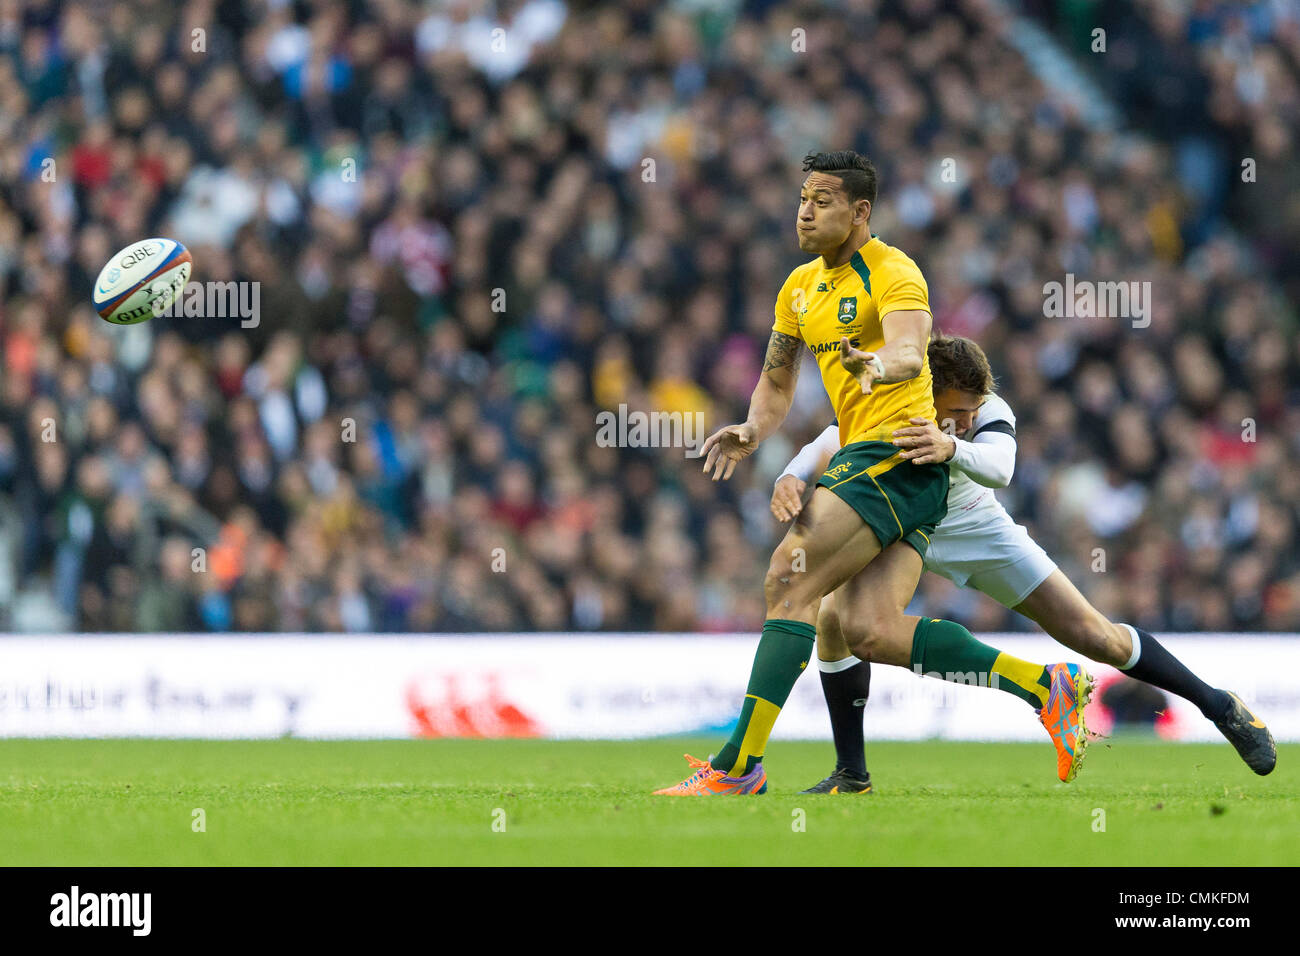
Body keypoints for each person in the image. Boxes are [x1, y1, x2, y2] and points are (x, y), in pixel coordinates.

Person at [653, 151, 1092, 796]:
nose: (805, 210)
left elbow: (912, 349)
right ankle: (1044, 686)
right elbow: (776, 381)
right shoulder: (798, 289)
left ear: (860, 212)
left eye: (823, 199)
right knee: (867, 629)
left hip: (891, 452)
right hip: (882, 465)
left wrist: (878, 367)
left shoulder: (894, 272)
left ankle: (739, 766)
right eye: (803, 197)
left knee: (787, 577)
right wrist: (752, 429)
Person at [772, 334, 1277, 794]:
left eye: (974, 410)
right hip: (900, 524)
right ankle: (851, 771)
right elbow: (830, 438)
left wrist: (951, 444)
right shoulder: (893, 397)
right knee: (839, 620)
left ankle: (1218, 706)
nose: (969, 418)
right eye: (958, 410)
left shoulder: (990, 408)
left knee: (1096, 636)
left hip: (975, 527)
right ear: (930, 389)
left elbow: (1002, 467)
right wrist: (792, 474)